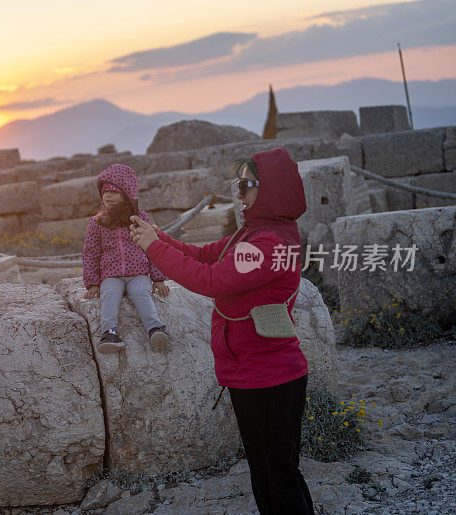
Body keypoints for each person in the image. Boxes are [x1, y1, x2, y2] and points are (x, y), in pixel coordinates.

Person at [129, 148, 314, 514]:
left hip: (270, 379)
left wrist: (152, 248)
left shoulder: (269, 243)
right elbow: (205, 256)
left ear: (270, 189)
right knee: (267, 474)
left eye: (246, 185)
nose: (239, 193)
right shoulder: (256, 232)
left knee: (278, 476)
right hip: (253, 373)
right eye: (238, 185)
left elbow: (211, 279)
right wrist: (158, 238)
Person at [81, 163, 171, 354]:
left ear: (126, 193)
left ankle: (156, 329)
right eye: (105, 191)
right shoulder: (97, 222)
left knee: (140, 294)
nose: (108, 196)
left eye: (114, 192)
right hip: (111, 276)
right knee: (109, 295)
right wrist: (92, 283)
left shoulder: (140, 218)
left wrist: (158, 278)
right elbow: (91, 252)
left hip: (139, 274)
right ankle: (109, 334)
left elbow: (152, 248)